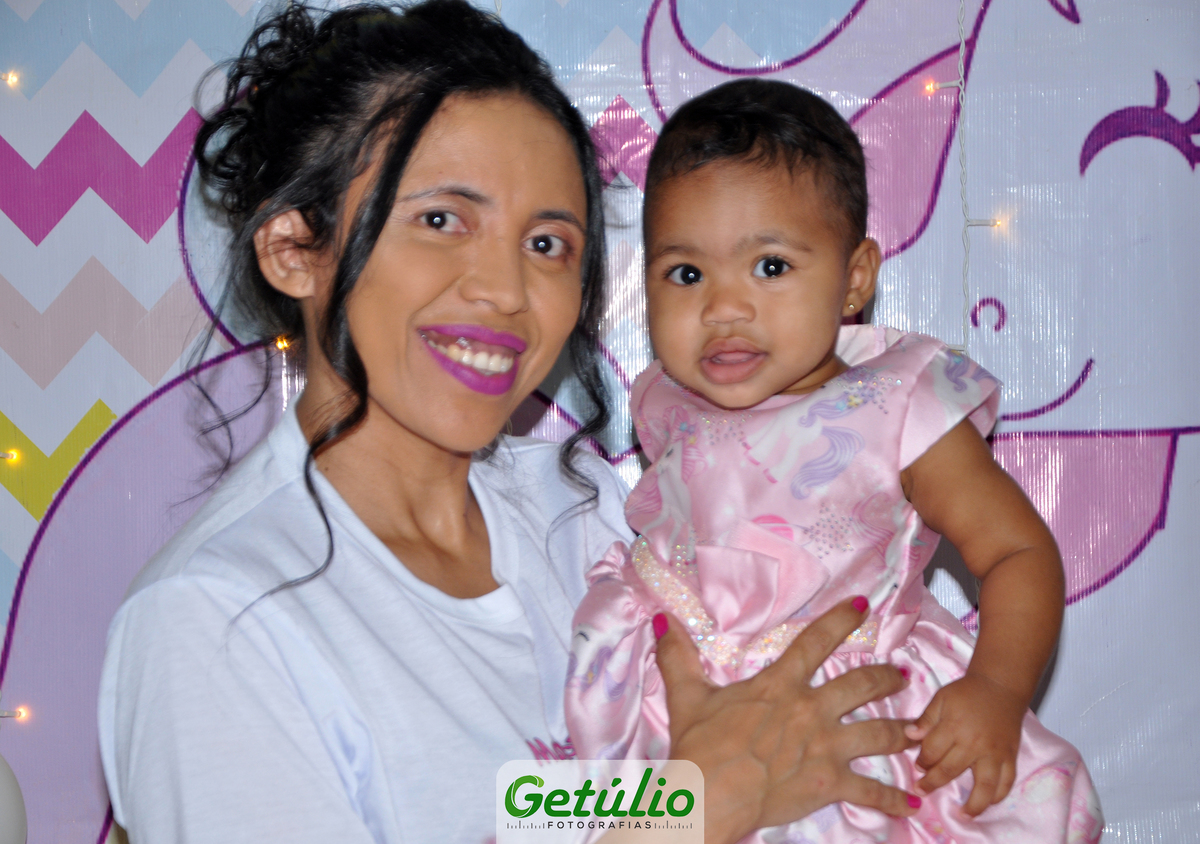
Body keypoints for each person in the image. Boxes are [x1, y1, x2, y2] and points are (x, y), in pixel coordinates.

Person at [97, 5, 923, 843]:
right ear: (295, 250)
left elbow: (542, 807)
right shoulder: (215, 618)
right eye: (441, 220)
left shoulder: (579, 514)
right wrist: (700, 809)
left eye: (547, 244)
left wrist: (698, 787)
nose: (505, 290)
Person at [564, 79, 1104, 842]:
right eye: (686, 274)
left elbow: (1017, 550)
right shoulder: (664, 401)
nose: (723, 308)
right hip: (662, 708)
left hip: (837, 717)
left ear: (854, 279)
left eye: (771, 266)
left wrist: (997, 688)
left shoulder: (896, 403)